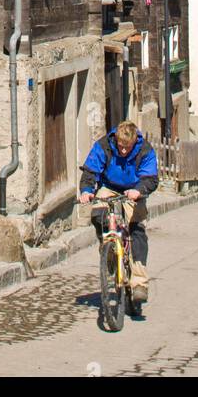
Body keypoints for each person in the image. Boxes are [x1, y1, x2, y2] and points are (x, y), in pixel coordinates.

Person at [79, 120, 158, 305]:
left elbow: (150, 178)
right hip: (109, 187)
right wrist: (86, 191)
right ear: (116, 139)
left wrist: (139, 190)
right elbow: (91, 170)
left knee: (136, 229)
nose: (123, 151)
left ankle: (139, 283)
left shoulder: (144, 150)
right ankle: (108, 249)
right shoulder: (104, 145)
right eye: (121, 147)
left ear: (133, 143)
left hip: (134, 190)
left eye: (127, 148)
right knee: (98, 214)